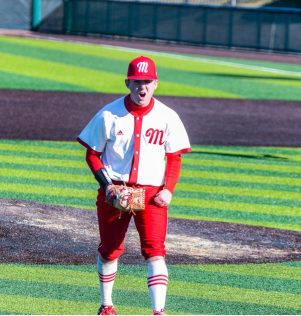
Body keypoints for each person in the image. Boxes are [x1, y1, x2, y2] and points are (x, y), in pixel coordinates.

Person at [77, 56, 191, 315]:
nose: (143, 87)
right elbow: (92, 154)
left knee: (155, 250)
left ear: (156, 83)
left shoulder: (167, 117)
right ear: (127, 82)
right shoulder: (109, 114)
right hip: (116, 189)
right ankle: (106, 305)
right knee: (110, 249)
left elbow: (174, 157)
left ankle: (158, 311)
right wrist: (107, 186)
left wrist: (168, 190)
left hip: (152, 194)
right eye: (137, 81)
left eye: (147, 82)